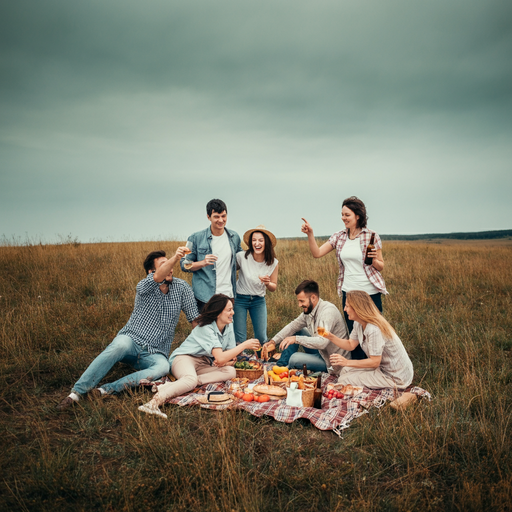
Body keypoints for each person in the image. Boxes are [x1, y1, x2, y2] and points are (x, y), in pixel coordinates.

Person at [57, 249, 199, 411]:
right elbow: (158, 277)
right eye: (164, 265)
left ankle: (106, 390)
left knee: (163, 367)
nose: (171, 268)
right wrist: (176, 257)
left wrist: (201, 348)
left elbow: (194, 319)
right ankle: (76, 394)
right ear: (151, 272)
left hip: (156, 351)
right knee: (119, 346)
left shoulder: (182, 288)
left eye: (170, 264)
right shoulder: (144, 286)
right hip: (131, 340)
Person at [138, 294, 261, 418]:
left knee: (230, 371)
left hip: (203, 362)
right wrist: (243, 345)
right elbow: (221, 357)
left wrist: (226, 360)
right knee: (190, 380)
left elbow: (227, 355)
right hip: (184, 358)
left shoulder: (228, 325)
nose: (233, 312)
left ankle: (185, 382)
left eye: (232, 309)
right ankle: (153, 403)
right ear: (218, 313)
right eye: (229, 310)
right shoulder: (206, 328)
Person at [301, 196, 387, 359]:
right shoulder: (339, 236)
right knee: (354, 335)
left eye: (347, 215)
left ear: (358, 216)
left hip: (370, 294)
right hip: (349, 293)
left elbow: (381, 265)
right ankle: (357, 370)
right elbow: (317, 253)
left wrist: (374, 260)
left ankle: (376, 367)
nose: (343, 218)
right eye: (342, 214)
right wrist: (310, 234)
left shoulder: (371, 236)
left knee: (374, 334)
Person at [326, 290, 413, 390]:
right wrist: (330, 336)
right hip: (380, 368)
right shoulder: (359, 323)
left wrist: (346, 362)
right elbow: (350, 344)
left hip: (394, 376)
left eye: (347, 306)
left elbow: (375, 362)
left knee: (344, 380)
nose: (344, 309)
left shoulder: (374, 329)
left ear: (357, 308)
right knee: (345, 370)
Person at [261, 280, 349, 372]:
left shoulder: (327, 312)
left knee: (294, 359)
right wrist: (273, 342)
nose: (299, 305)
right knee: (296, 330)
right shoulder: (309, 311)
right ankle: (281, 366)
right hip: (321, 351)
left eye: (302, 301)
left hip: (332, 361)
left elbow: (322, 342)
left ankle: (287, 364)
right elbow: (293, 326)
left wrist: (296, 339)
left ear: (313, 298)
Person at [180, 199, 242, 312]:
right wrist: (202, 263)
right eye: (216, 217)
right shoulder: (195, 238)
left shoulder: (234, 237)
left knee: (227, 330)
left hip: (229, 295)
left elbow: (240, 260)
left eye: (223, 216)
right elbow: (184, 264)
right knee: (206, 329)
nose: (221, 220)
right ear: (208, 217)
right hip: (205, 298)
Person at [233, 225, 279, 344]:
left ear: (266, 242)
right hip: (240, 299)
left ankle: (261, 360)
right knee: (240, 337)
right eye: (254, 240)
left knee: (261, 337)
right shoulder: (241, 257)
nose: (256, 243)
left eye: (260, 240)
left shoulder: (273, 262)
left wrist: (268, 283)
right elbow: (229, 271)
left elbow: (273, 287)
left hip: (258, 301)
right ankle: (239, 359)